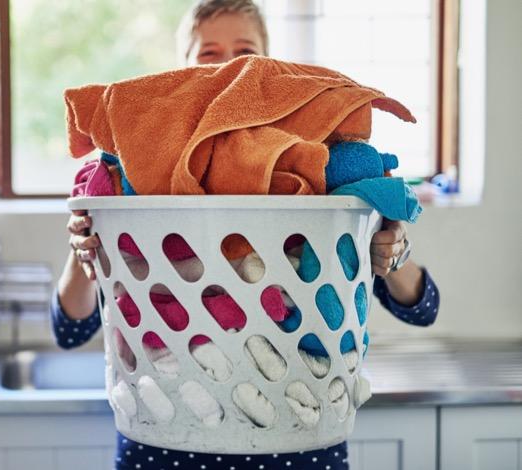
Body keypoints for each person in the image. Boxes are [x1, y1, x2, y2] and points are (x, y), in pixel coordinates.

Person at [54, 1, 440, 468]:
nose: (229, 67)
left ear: (269, 71)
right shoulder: (142, 170)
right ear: (182, 68)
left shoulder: (310, 163)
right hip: (165, 435)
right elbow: (70, 327)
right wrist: (85, 246)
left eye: (245, 52)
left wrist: (388, 249)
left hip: (294, 440)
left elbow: (423, 307)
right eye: (209, 54)